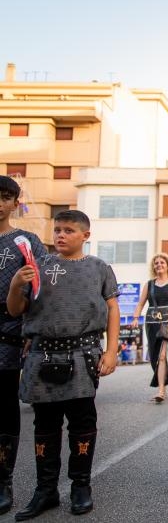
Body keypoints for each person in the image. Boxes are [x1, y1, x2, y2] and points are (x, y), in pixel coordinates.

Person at [8, 210, 119, 519]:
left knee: (82, 423)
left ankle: (81, 486)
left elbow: (112, 308)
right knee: (44, 426)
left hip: (82, 355)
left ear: (85, 235)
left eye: (69, 230)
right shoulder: (36, 266)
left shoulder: (99, 268)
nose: (60, 235)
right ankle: (45, 490)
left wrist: (111, 352)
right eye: (57, 229)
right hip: (41, 355)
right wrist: (17, 282)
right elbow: (16, 310)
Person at [0, 176, 47, 515]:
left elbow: (43, 291)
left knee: (3, 412)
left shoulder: (26, 241)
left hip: (8, 335)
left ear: (16, 202)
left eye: (6, 197)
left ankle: (3, 482)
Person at [131, 253, 168, 403]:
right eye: (156, 263)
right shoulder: (149, 284)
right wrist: (135, 318)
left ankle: (161, 390)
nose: (159, 265)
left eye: (162, 262)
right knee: (155, 355)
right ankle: (162, 384)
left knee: (163, 355)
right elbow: (141, 303)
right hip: (152, 323)